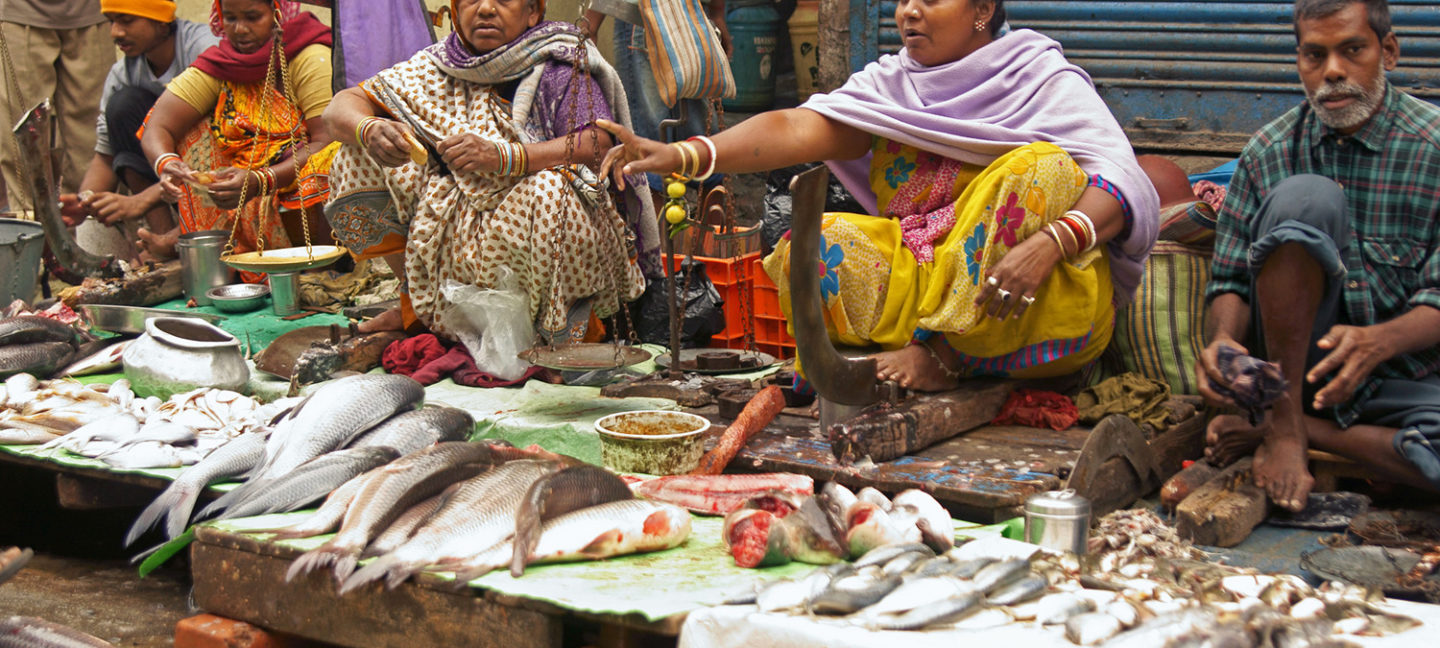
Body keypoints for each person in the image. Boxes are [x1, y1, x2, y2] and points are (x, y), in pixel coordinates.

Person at [600, 0, 1158, 391]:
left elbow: (1122, 180)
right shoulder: (893, 85)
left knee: (1039, 168)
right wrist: (681, 154)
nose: (908, 11)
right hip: (924, 288)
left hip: (1035, 300)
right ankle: (897, 350)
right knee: (814, 244)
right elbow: (797, 127)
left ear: (983, 9)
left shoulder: (1039, 77)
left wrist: (1054, 242)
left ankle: (946, 355)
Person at [1199, 0, 1440, 511]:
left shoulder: (1433, 148)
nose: (1332, 72)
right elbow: (1231, 283)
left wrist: (1379, 341)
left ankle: (1298, 431)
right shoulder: (1269, 150)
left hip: (1400, 381)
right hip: (1289, 379)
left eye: (1352, 50)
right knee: (1306, 197)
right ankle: (1284, 426)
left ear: (1389, 51)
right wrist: (1223, 343)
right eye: (1315, 55)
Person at [322, 0, 654, 344]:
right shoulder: (435, 66)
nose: (485, 9)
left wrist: (505, 157)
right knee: (355, 154)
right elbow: (338, 110)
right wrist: (369, 128)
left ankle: (562, 332)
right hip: (450, 222)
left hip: (535, 220)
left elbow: (596, 143)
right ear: (454, 10)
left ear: (533, 13)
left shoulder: (558, 62)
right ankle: (415, 304)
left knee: (550, 191)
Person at [139, 0, 336, 268]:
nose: (240, 29)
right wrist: (167, 164)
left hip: (296, 170)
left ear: (279, 15)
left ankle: (328, 264)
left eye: (253, 17)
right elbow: (158, 125)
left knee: (328, 163)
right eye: (229, 18)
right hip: (245, 175)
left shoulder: (310, 55)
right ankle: (219, 255)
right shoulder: (226, 62)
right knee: (191, 136)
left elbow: (326, 142)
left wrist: (261, 179)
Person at [57, 0, 219, 260]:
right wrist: (85, 203)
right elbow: (106, 155)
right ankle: (162, 239)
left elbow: (225, 145)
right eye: (111, 22)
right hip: (169, 178)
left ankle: (182, 237)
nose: (115, 33)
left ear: (161, 22)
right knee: (123, 106)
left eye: (127, 21)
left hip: (220, 172)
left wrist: (140, 200)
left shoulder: (204, 49)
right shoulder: (123, 73)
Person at [582, 0, 729, 207]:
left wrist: (591, 20)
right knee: (702, 140)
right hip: (694, 16)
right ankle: (712, 235)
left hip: (642, 17)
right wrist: (716, 12)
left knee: (646, 146)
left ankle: (657, 238)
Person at [0, 0, 111, 213]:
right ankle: (30, 236)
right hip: (19, 13)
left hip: (92, 13)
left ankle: (93, 230)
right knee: (23, 139)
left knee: (93, 140)